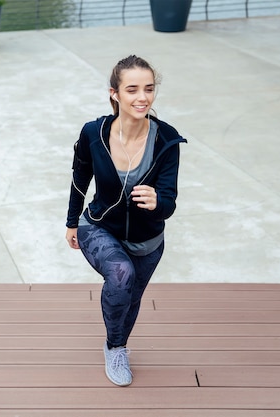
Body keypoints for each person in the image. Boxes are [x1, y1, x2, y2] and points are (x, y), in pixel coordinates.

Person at [65, 55, 186, 386]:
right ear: (114, 93)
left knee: (130, 298)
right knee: (121, 275)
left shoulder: (166, 139)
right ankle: (116, 349)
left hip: (148, 241)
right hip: (99, 227)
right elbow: (79, 178)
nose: (142, 97)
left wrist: (157, 202)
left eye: (149, 89)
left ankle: (116, 343)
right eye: (132, 89)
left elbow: (169, 201)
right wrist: (72, 221)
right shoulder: (94, 133)